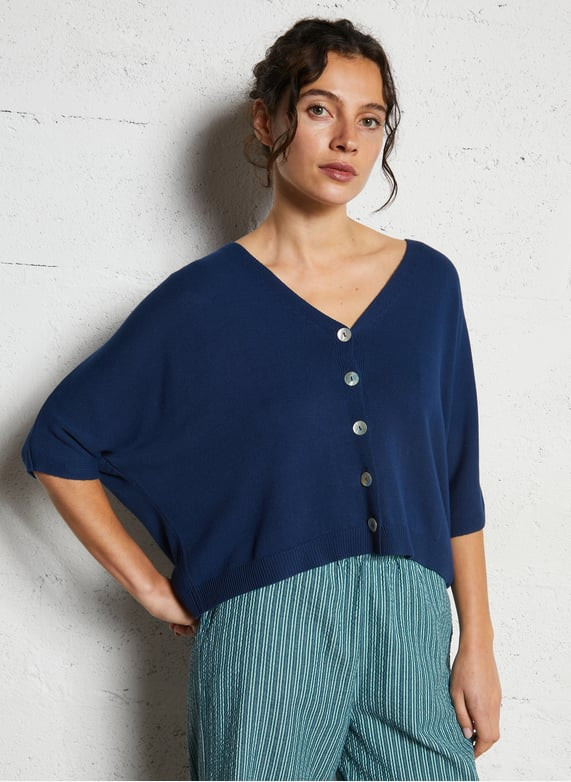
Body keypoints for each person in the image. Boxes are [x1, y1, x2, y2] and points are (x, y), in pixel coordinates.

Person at [21, 17, 501, 782]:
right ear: (266, 120)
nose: (345, 139)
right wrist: (152, 591)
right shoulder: (202, 302)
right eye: (318, 109)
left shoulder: (428, 286)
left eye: (368, 119)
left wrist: (476, 641)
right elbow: (59, 442)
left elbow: (456, 478)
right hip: (268, 624)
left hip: (411, 622)